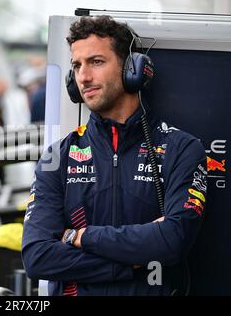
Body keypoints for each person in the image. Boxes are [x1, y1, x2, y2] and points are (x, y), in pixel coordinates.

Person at [21, 15, 207, 296]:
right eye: (77, 65)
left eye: (96, 62)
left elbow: (173, 240)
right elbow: (37, 257)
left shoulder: (181, 148)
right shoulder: (58, 156)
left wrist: (78, 236)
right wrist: (132, 264)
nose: (83, 76)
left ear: (131, 69)